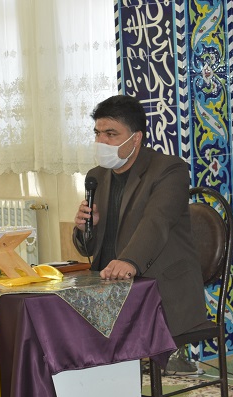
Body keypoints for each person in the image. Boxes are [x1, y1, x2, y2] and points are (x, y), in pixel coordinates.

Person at [72, 95, 208, 374]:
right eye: (98, 133)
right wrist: (86, 227)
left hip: (156, 288)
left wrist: (129, 261)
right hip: (108, 286)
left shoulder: (169, 169)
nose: (102, 141)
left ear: (136, 138)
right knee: (57, 318)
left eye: (111, 134)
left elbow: (156, 222)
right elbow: (87, 249)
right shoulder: (97, 175)